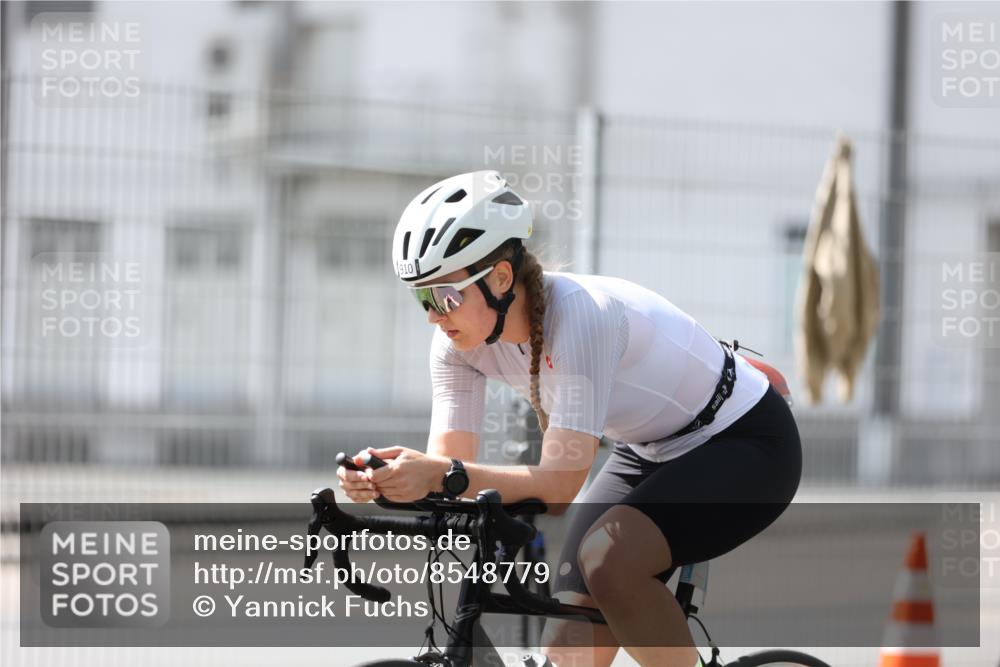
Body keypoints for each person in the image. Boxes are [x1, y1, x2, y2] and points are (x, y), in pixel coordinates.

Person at [336, 171, 802, 667]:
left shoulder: (580, 317)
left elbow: (559, 485)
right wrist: (388, 479)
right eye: (421, 297)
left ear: (499, 278)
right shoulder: (455, 345)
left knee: (611, 562)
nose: (433, 315)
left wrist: (438, 474)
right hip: (646, 449)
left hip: (743, 440)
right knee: (567, 651)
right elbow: (451, 467)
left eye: (445, 296)